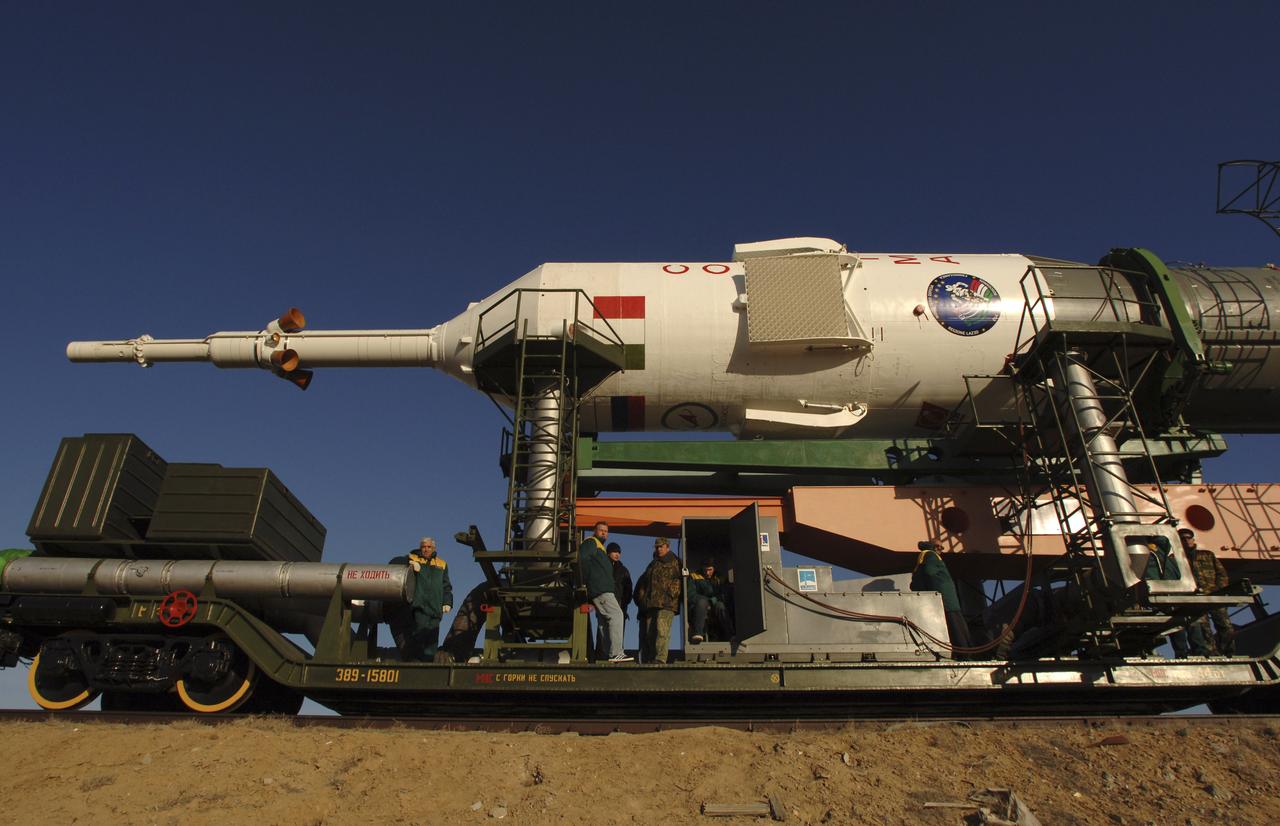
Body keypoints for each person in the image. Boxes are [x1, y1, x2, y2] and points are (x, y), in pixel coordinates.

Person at [387, 537, 453, 661]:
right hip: (420, 606)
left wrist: (447, 602)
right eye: (423, 547)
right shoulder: (412, 559)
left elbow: (446, 585)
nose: (426, 549)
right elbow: (395, 563)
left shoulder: (442, 564)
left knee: (433, 637)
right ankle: (417, 661)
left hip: (436, 608)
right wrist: (409, 565)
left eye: (429, 547)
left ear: (434, 548)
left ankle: (428, 662)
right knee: (420, 634)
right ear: (420, 548)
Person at [579, 521, 631, 662]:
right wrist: (585, 581)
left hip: (600, 589)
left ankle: (608, 654)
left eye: (606, 531)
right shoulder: (591, 542)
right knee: (617, 615)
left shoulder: (600, 548)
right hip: (601, 589)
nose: (604, 533)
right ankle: (616, 653)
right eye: (601, 530)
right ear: (594, 531)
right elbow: (582, 559)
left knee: (604, 622)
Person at [910, 540, 972, 654]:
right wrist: (938, 588)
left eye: (942, 548)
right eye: (940, 547)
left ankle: (960, 652)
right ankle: (964, 654)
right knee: (956, 626)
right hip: (946, 598)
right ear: (935, 547)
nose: (941, 550)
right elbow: (930, 572)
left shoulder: (924, 556)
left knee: (951, 626)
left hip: (942, 598)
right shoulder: (931, 555)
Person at [1180, 527, 1235, 656]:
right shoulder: (1177, 559)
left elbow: (1222, 574)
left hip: (1214, 595)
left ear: (1193, 539)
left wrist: (1219, 590)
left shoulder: (1207, 555)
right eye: (1183, 539)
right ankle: (1212, 653)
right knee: (1204, 629)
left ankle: (1228, 651)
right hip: (1195, 598)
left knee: (1225, 625)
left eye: (1188, 537)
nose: (1186, 541)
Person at [634, 537, 683, 663]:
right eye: (657, 547)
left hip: (667, 604)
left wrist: (672, 594)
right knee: (650, 634)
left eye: (661, 546)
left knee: (662, 632)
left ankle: (660, 659)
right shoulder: (653, 564)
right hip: (651, 604)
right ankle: (651, 659)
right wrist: (643, 600)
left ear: (667, 547)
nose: (658, 549)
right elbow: (643, 584)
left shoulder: (676, 562)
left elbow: (682, 580)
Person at [594, 542, 633, 659]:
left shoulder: (623, 570)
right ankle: (603, 657)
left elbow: (628, 589)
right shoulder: (603, 566)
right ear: (608, 552)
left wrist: (623, 604)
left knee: (616, 632)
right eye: (614, 552)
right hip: (604, 602)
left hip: (619, 605)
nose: (617, 554)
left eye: (619, 552)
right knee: (602, 629)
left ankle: (615, 655)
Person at [688, 560, 733, 643]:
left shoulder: (720, 578)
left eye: (710, 570)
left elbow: (725, 594)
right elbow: (691, 595)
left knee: (720, 606)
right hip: (699, 607)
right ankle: (698, 633)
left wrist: (713, 600)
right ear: (702, 568)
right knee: (702, 602)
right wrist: (705, 601)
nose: (707, 573)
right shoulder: (694, 576)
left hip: (715, 604)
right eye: (705, 570)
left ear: (714, 569)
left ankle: (730, 635)